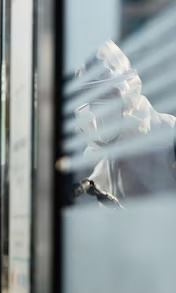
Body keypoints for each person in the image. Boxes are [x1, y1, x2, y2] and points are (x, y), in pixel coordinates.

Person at [73, 40, 176, 204]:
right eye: (88, 98)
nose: (94, 109)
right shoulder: (87, 166)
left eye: (105, 94)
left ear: (127, 89)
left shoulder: (170, 137)